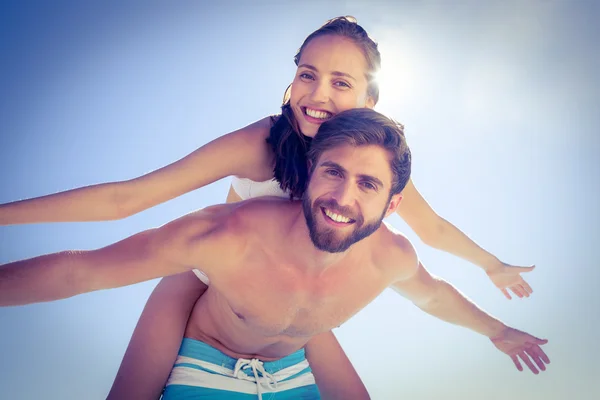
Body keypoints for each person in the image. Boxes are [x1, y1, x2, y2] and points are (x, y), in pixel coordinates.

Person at [0, 16, 536, 398]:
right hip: (213, 273)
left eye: (341, 82)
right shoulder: (264, 144)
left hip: (301, 290)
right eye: (308, 73)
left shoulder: (367, 164)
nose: (318, 93)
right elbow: (128, 199)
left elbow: (432, 231)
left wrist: (491, 266)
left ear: (370, 102)